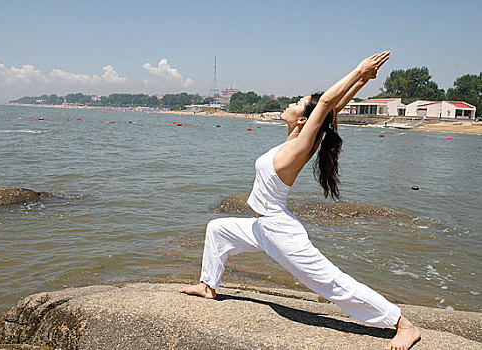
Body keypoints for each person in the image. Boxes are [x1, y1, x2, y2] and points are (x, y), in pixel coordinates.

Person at [180, 51, 421, 350]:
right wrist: (360, 81)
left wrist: (357, 69)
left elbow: (325, 104)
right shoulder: (296, 139)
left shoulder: (304, 143)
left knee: (330, 282)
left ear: (304, 119)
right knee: (218, 229)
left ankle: (403, 324)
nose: (290, 104)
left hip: (279, 230)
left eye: (296, 103)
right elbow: (332, 107)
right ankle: (208, 286)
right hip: (261, 227)